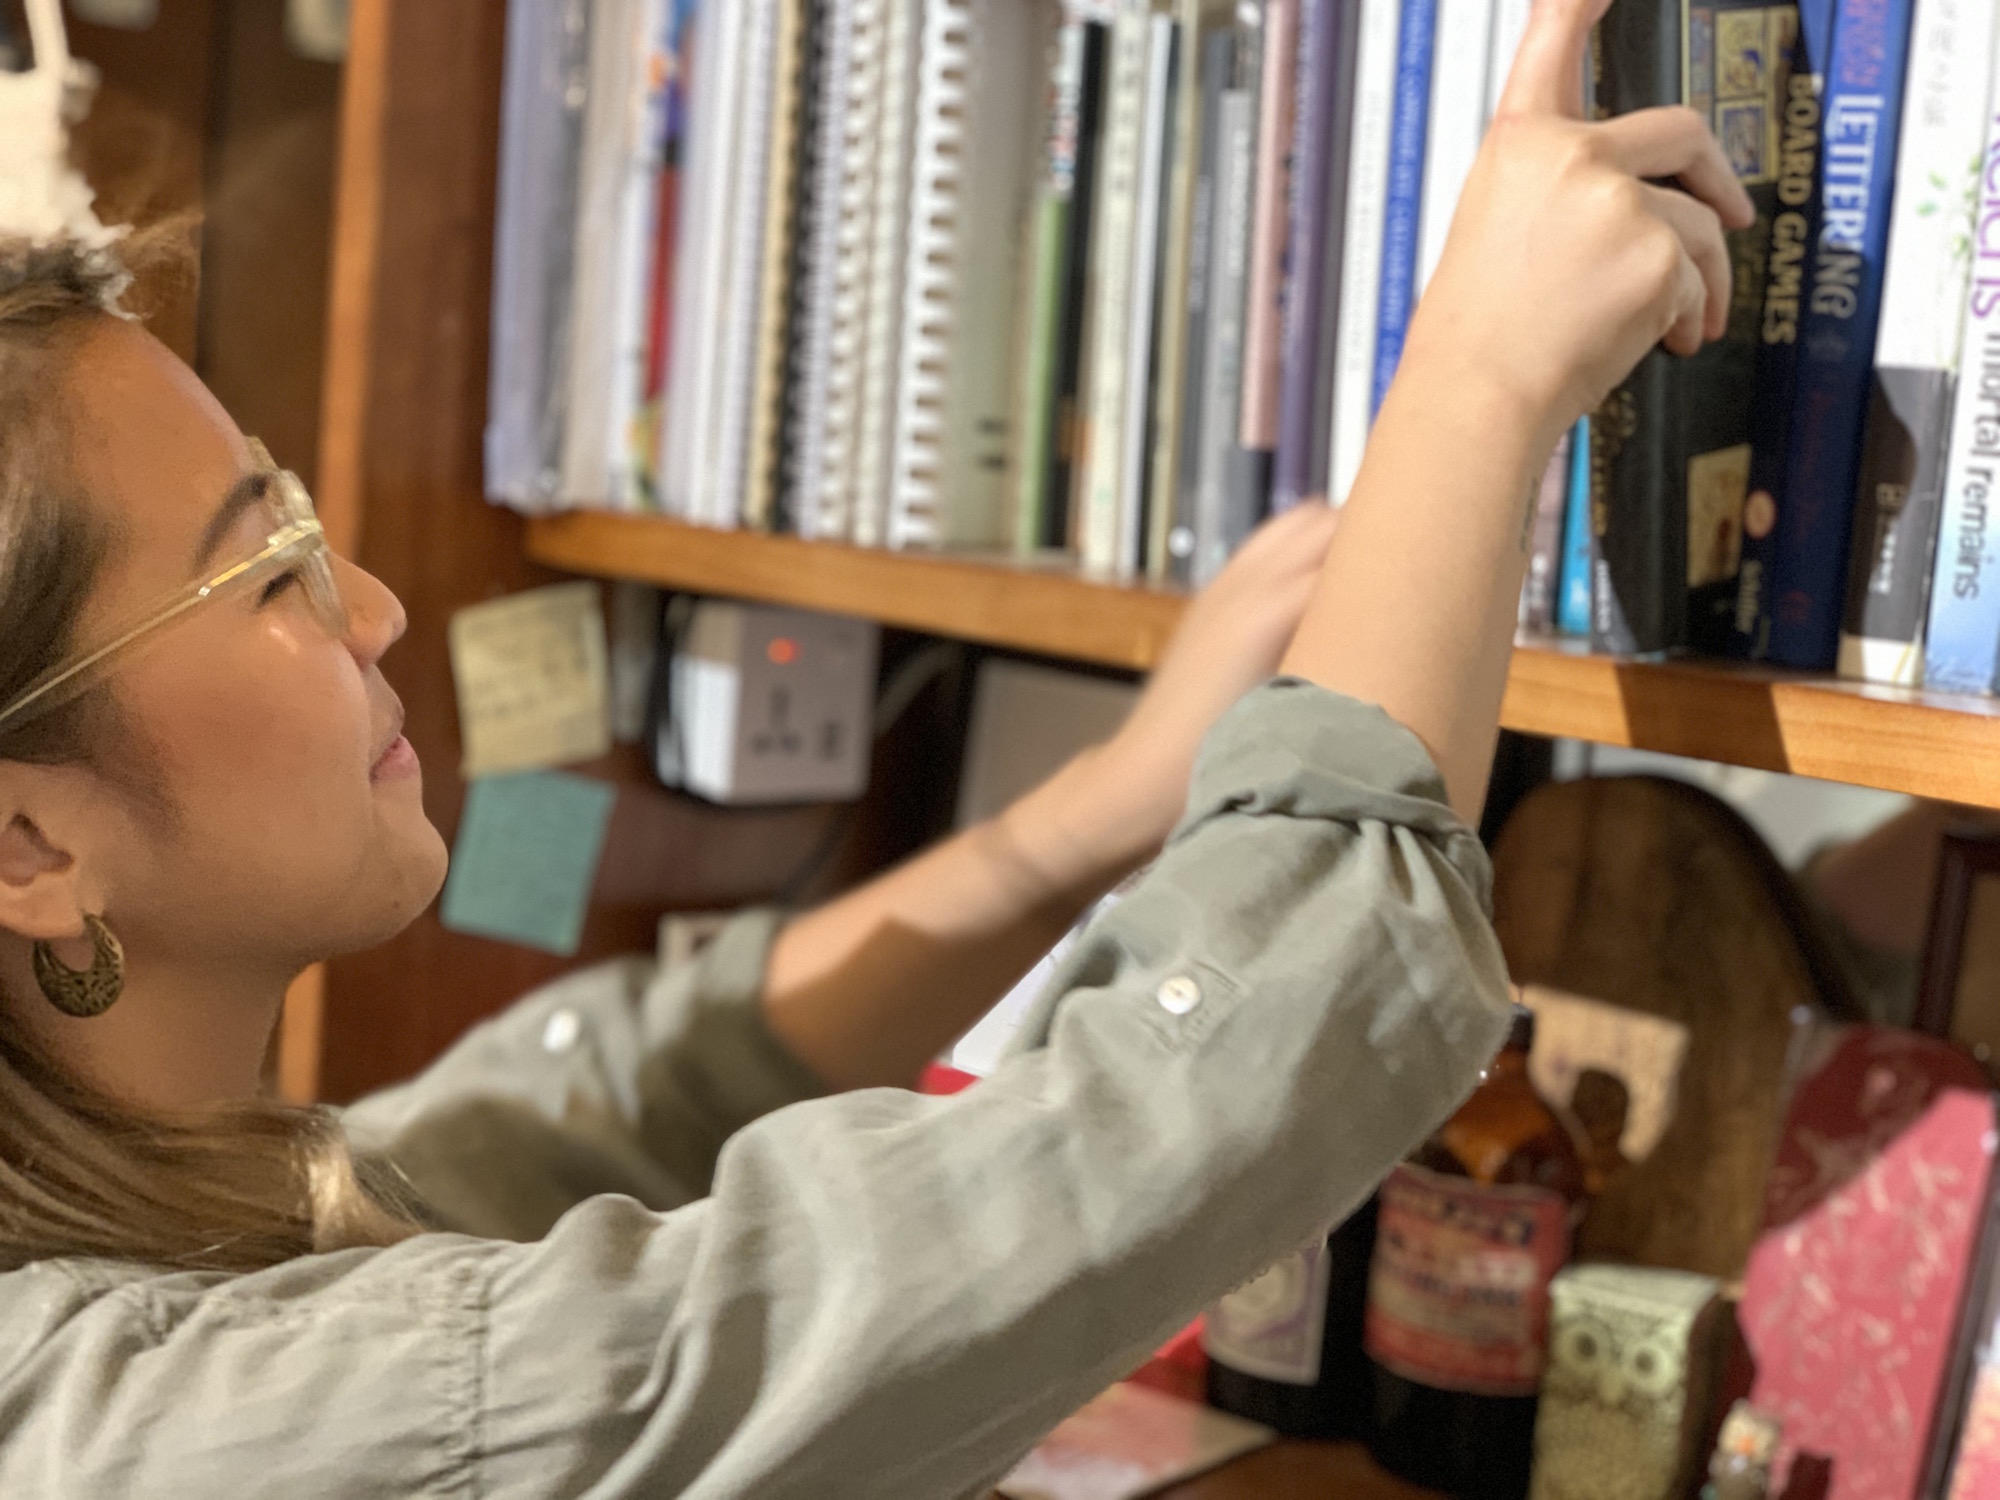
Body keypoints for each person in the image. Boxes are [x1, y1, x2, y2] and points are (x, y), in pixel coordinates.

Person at [0, 0, 1750, 1491]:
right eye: (265, 570)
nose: (373, 605)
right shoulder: (213, 1432)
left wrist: (1094, 814)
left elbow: (565, 1111)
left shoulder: (133, 1244)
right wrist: (1478, 376)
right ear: (27, 845)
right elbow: (1185, 1108)